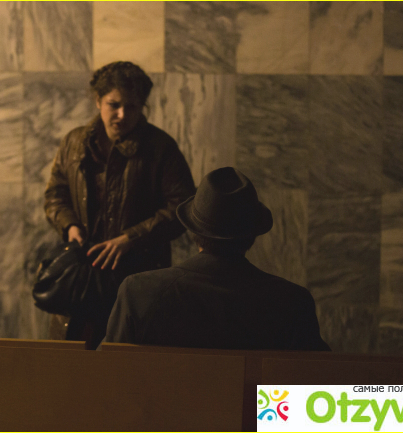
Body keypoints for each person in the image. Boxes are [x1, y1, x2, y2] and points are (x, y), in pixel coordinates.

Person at [44, 61, 196, 349]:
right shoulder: (74, 142)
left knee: (127, 365)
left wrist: (130, 239)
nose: (122, 115)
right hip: (81, 276)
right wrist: (70, 226)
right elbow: (55, 194)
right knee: (71, 364)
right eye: (114, 105)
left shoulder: (160, 147)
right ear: (98, 100)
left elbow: (183, 206)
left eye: (132, 107)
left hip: (137, 278)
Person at [102, 167, 330, 351]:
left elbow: (106, 374)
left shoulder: (139, 292)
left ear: (193, 231)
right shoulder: (293, 303)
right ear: (252, 236)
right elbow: (316, 386)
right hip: (259, 399)